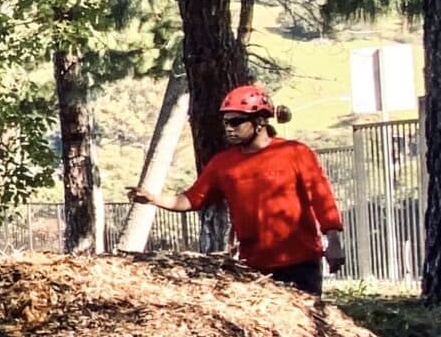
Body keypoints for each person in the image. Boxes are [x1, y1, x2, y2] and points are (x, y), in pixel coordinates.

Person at [129, 85, 346, 295]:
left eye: (236, 122)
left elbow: (321, 197)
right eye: (225, 123)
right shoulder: (222, 164)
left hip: (301, 262)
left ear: (260, 121)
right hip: (253, 266)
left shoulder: (295, 152)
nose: (229, 128)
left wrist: (334, 243)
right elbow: (192, 199)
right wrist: (153, 199)